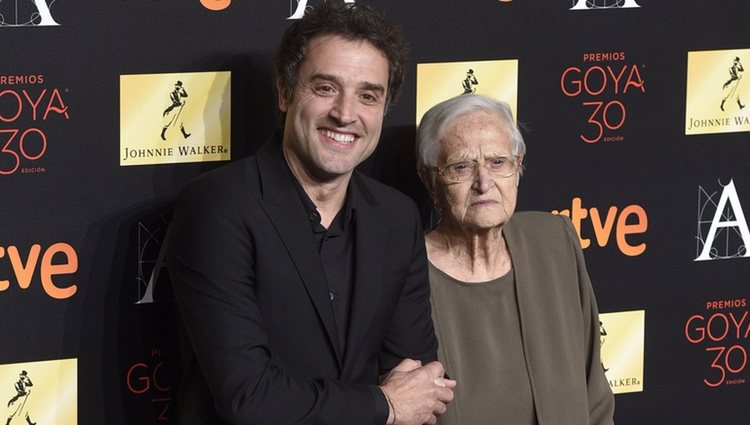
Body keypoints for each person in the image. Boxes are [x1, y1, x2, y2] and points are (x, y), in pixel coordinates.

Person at [167, 3, 455, 425]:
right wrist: (386, 405)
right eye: (325, 88)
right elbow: (250, 398)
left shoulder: (397, 217)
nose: (345, 113)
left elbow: (419, 382)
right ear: (284, 92)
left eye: (368, 96)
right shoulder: (218, 208)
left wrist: (401, 401)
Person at [415, 94, 615, 425]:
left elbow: (595, 396)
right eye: (462, 166)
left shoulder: (554, 242)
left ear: (518, 166)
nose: (484, 182)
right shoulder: (407, 274)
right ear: (430, 180)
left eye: (498, 162)